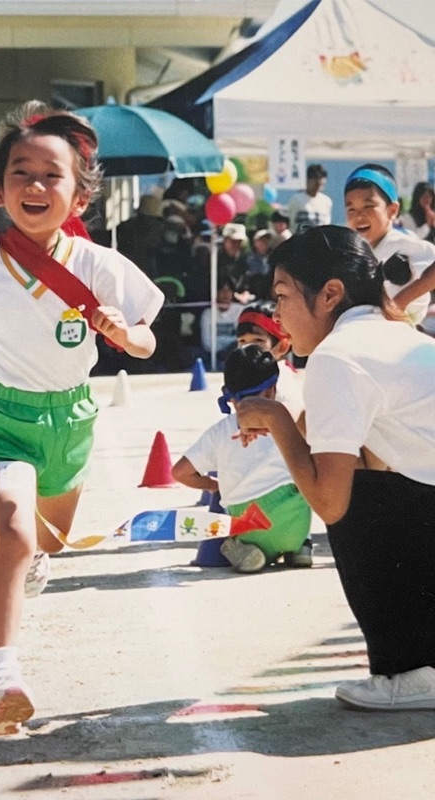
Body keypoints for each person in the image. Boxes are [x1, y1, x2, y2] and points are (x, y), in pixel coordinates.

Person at [0, 100, 163, 736]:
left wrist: (122, 332)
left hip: (73, 421)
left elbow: (147, 341)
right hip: (5, 420)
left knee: (46, 545)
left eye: (52, 175)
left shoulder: (102, 266)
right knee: (16, 539)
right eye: (20, 172)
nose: (35, 185)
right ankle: (1, 678)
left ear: (79, 196)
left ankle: (32, 558)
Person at [235, 225, 435, 711]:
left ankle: (411, 670)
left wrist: (278, 419)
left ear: (329, 294)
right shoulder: (394, 333)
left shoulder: (338, 356)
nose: (278, 316)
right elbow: (326, 436)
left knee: (356, 495)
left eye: (282, 297)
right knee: (365, 463)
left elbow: (330, 501)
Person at [173, 346, 311, 573]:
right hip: (294, 521)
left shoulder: (219, 432)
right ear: (272, 390)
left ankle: (241, 550)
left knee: (234, 530)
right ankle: (300, 548)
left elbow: (179, 472)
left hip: (249, 525)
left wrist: (211, 485)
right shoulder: (288, 420)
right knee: (302, 480)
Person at [236, 300, 310, 565]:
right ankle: (301, 543)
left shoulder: (282, 381)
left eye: (257, 341)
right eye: (242, 341)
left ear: (281, 346)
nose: (247, 348)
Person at [343, 164, 435, 327]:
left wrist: (398, 303)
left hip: (401, 336)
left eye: (368, 206)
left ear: (392, 210)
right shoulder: (349, 250)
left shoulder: (404, 244)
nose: (359, 216)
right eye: (351, 209)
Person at [199, 278, 244, 369]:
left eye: (228, 290)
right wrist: (221, 351)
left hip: (234, 352)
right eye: (222, 290)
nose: (225, 294)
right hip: (213, 354)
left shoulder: (240, 310)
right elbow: (206, 342)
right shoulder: (208, 313)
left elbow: (242, 338)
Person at [286, 164, 332, 233]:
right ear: (307, 180)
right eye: (315, 180)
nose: (317, 185)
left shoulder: (326, 201)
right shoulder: (296, 200)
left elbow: (326, 225)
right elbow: (291, 223)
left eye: (320, 182)